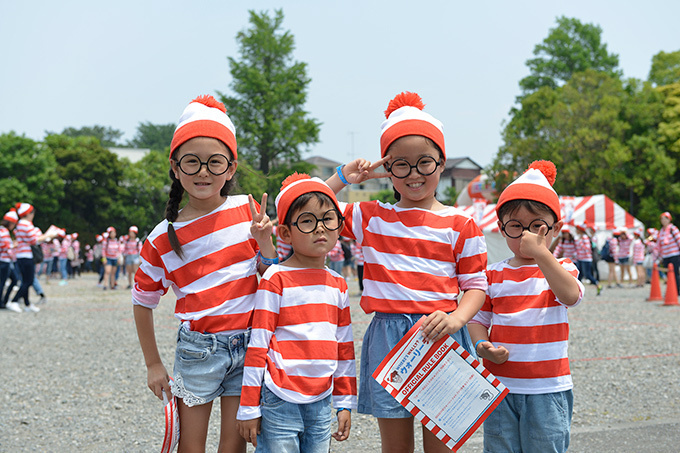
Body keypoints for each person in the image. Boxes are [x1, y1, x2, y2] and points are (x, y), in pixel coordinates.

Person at [326, 92, 488, 452]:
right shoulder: (371, 216)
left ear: (441, 163)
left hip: (440, 333)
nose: (414, 174)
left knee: (441, 446)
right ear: (387, 168)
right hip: (388, 335)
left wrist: (458, 318)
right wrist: (344, 177)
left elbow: (477, 285)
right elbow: (300, 202)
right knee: (395, 447)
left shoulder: (461, 223)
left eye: (424, 163)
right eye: (401, 165)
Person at [132, 94, 277, 453]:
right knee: (191, 446)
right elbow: (142, 301)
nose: (203, 172)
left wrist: (266, 244)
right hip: (198, 349)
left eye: (214, 163)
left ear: (230, 168)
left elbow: (272, 275)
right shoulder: (161, 237)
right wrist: (153, 363)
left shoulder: (248, 210)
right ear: (175, 166)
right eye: (192, 162)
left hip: (249, 345)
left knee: (234, 444)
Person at [468, 160, 584, 453]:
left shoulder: (561, 268)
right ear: (501, 229)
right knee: (499, 448)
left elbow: (570, 295)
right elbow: (478, 317)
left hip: (547, 388)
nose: (526, 235)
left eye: (537, 227)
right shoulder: (493, 273)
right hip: (500, 385)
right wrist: (482, 344)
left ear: (555, 228)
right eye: (516, 226)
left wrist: (542, 254)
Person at [237, 174, 357, 451]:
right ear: (286, 233)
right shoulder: (275, 279)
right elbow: (258, 346)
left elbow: (345, 347)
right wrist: (248, 407)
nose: (320, 229)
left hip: (322, 398)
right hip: (279, 397)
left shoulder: (338, 284)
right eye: (307, 221)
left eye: (328, 219)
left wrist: (344, 401)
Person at [8, 203, 54, 313]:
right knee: (28, 281)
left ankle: (27, 304)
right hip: (26, 255)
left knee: (25, 280)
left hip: (21, 255)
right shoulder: (26, 224)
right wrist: (49, 235)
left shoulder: (20, 224)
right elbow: (34, 241)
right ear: (28, 213)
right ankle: (14, 301)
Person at [575, 223, 602, 295]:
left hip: (586, 259)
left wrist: (580, 242)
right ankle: (577, 291)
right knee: (579, 275)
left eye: (577, 229)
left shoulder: (584, 237)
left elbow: (587, 248)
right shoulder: (580, 237)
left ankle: (598, 285)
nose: (575, 230)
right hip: (580, 258)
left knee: (588, 275)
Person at [656, 211, 680, 292]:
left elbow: (679, 240)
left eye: (665, 219)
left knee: (675, 273)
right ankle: (671, 291)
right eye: (662, 219)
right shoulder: (661, 231)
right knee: (668, 274)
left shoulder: (673, 229)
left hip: (674, 254)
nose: (663, 221)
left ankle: (677, 290)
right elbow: (659, 245)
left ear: (669, 219)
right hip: (665, 255)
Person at [0, 209, 18, 309]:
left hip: (4, 260)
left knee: (10, 280)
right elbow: (6, 247)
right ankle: (2, 302)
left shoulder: (2, 230)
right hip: (4, 260)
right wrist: (14, 245)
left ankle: (4, 300)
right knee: (4, 282)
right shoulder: (4, 232)